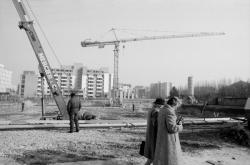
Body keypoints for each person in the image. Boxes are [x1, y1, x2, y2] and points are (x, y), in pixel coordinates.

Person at [153, 96, 183, 165]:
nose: (176, 108)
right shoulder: (170, 112)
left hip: (162, 139)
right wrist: (180, 125)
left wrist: (176, 122)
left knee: (162, 160)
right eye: (177, 106)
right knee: (169, 161)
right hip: (169, 141)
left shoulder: (162, 110)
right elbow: (172, 128)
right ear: (174, 104)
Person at [144, 98, 165, 165]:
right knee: (153, 157)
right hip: (154, 136)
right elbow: (155, 124)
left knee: (151, 158)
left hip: (150, 135)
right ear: (159, 105)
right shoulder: (156, 112)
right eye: (162, 106)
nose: (163, 107)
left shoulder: (151, 110)